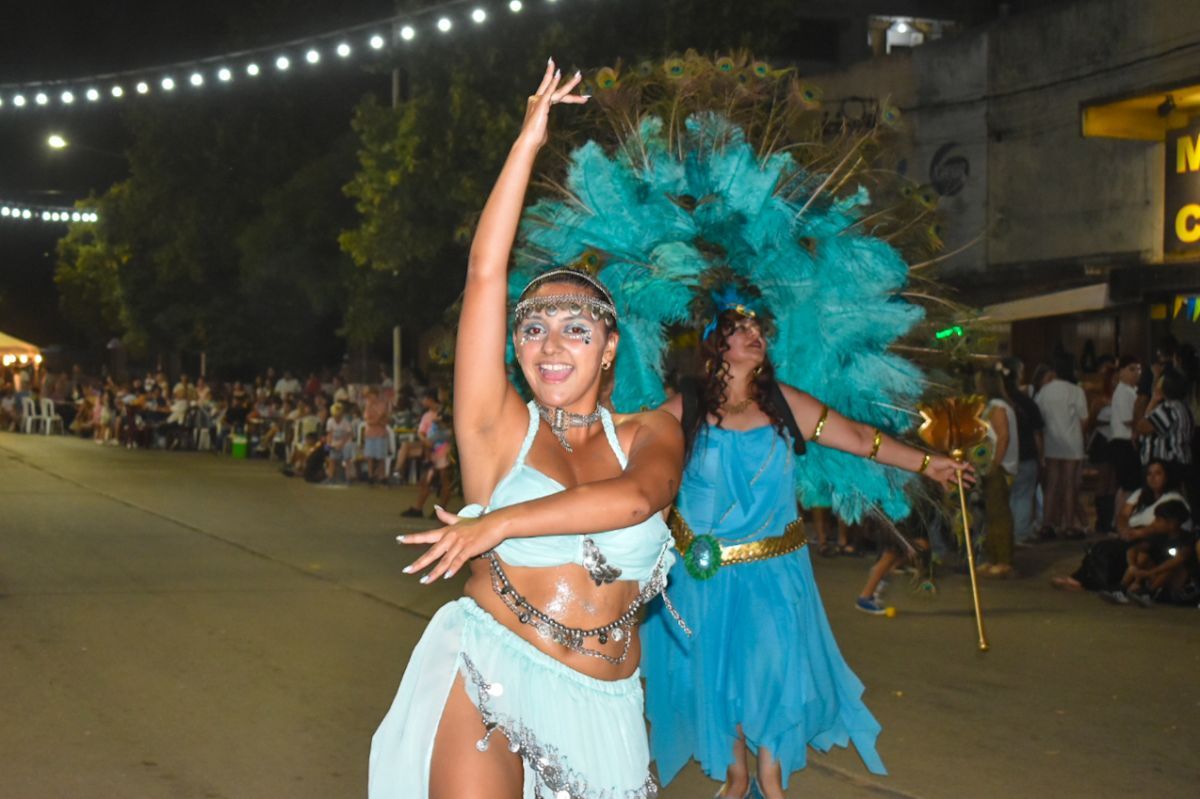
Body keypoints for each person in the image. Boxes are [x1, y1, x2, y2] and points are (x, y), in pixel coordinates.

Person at [369, 62, 683, 799]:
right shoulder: (495, 431)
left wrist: (498, 522)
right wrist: (527, 142)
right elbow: (485, 273)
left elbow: (638, 501)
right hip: (491, 668)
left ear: (609, 349)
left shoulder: (650, 433)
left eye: (576, 329)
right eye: (533, 327)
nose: (550, 344)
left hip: (608, 701)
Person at [642, 305, 970, 799]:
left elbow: (861, 439)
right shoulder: (682, 408)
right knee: (717, 675)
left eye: (759, 329)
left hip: (776, 572)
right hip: (703, 576)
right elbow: (631, 454)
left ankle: (770, 779)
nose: (756, 336)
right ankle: (736, 778)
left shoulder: (783, 403)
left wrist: (929, 463)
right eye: (741, 329)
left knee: (775, 670)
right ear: (715, 343)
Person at [1051, 459, 1187, 594]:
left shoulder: (1173, 498)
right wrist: (1123, 529)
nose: (1152, 478)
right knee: (1100, 547)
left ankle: (1100, 583)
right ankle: (1083, 579)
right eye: (1149, 474)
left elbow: (1163, 526)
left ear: (1167, 476)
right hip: (1132, 534)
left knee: (1109, 549)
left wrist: (1138, 533)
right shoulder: (1141, 493)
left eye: (1158, 474)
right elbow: (1123, 514)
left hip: (1152, 539)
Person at [1034, 358, 1089, 539]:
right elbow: (1084, 419)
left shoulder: (1044, 391)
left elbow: (1038, 417)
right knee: (1069, 484)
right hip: (1072, 443)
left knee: (1051, 484)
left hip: (1051, 442)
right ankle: (1069, 525)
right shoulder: (1075, 391)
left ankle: (1048, 524)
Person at [977, 365, 1018, 577]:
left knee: (999, 514)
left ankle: (1004, 560)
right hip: (990, 466)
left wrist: (995, 463)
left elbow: (1003, 436)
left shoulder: (998, 407)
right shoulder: (993, 406)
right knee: (991, 515)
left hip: (998, 467)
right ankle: (992, 557)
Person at [1000, 357, 1043, 544]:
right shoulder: (1026, 402)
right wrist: (1041, 457)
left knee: (1005, 499)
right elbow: (1037, 433)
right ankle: (1020, 535)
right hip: (1026, 456)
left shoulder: (995, 403)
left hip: (1003, 458)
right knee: (1024, 496)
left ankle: (1005, 536)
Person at [1108, 356, 1142, 518]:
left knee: (1131, 485)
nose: (1136, 373)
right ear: (1121, 371)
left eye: (1138, 369)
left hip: (1129, 442)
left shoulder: (1132, 391)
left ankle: (1124, 520)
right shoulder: (1122, 391)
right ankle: (1119, 520)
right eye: (1131, 369)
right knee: (1126, 486)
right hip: (1123, 442)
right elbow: (1128, 419)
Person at [362, 386, 393, 484]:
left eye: (371, 396)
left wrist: (378, 420)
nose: (370, 398)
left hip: (380, 433)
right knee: (370, 456)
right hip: (370, 433)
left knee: (381, 457)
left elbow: (386, 419)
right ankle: (371, 476)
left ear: (376, 395)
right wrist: (379, 421)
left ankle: (382, 476)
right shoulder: (367, 405)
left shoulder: (383, 405)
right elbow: (368, 420)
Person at [324, 402, 356, 483]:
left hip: (346, 443)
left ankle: (348, 478)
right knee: (332, 459)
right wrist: (328, 445)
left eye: (338, 416)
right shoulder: (330, 421)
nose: (337, 418)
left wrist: (341, 444)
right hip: (335, 443)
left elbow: (349, 435)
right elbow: (329, 434)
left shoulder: (346, 422)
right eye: (335, 416)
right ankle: (330, 477)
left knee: (347, 460)